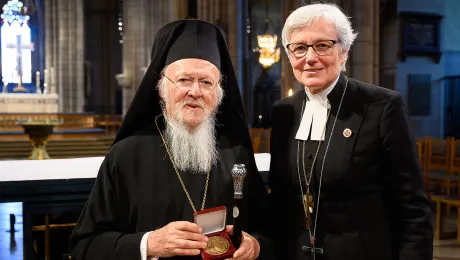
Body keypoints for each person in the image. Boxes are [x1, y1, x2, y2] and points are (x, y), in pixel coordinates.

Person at [70, 19, 273, 260]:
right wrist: (149, 244)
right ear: (161, 89)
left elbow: (270, 232)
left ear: (218, 94)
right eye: (184, 80)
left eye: (206, 82)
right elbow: (85, 245)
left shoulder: (235, 153)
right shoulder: (126, 155)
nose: (195, 92)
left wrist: (256, 245)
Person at [268, 3, 433, 260]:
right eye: (299, 48)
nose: (310, 58)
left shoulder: (381, 106)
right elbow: (279, 199)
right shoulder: (283, 112)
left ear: (344, 51)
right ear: (289, 56)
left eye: (322, 45)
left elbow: (413, 208)